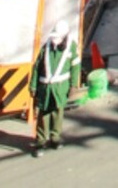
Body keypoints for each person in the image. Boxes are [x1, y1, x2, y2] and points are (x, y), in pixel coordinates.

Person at [29, 19, 81, 157]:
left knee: (58, 113)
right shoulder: (46, 47)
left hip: (60, 88)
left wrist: (73, 86)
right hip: (45, 88)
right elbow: (36, 67)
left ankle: (55, 139)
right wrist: (33, 85)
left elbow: (75, 67)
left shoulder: (71, 47)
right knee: (43, 114)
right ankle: (40, 142)